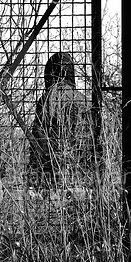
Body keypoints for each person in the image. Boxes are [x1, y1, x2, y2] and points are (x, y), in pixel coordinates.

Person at [28, 52, 90, 191]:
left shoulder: (48, 98)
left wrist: (35, 170)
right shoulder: (83, 99)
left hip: (52, 167)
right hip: (79, 169)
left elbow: (39, 136)